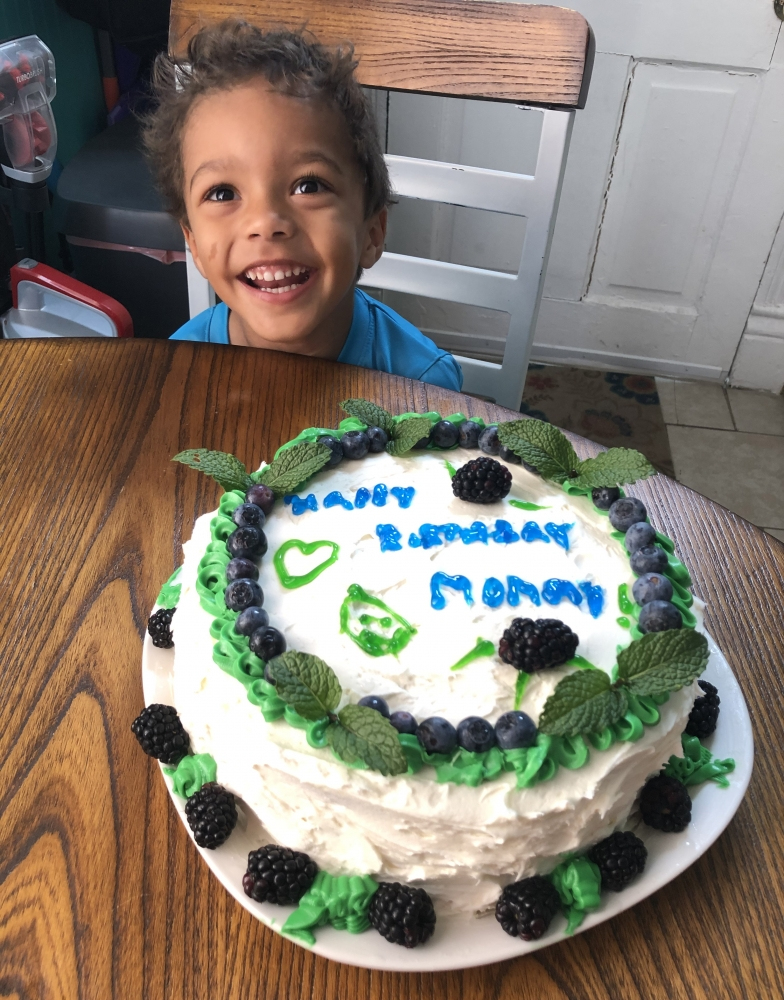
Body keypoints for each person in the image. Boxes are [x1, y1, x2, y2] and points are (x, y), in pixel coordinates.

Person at [143, 19, 463, 391]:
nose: (265, 222)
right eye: (223, 193)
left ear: (372, 233)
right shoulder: (175, 376)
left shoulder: (424, 388)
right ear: (194, 245)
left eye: (308, 186)